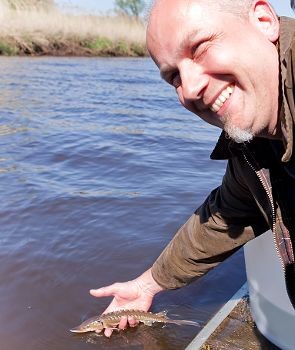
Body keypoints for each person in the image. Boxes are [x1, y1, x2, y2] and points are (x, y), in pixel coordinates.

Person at [90, 0, 295, 337]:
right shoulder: (253, 147)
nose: (190, 89)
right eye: (173, 77)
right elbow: (223, 217)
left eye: (199, 48)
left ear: (264, 20)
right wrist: (147, 285)